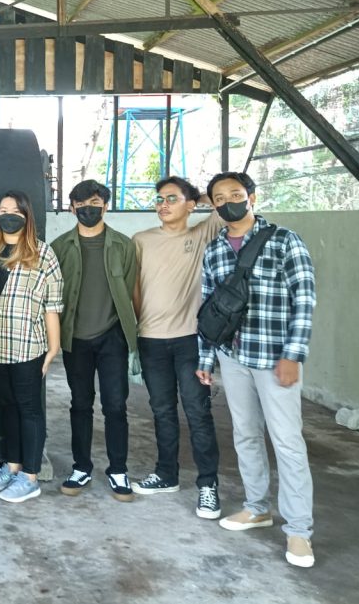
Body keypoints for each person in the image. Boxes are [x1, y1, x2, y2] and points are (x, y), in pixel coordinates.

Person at [197, 172, 317, 569]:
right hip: (234, 358)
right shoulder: (215, 250)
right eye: (220, 197)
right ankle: (256, 507)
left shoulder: (284, 240)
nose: (228, 201)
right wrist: (206, 359)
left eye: (235, 193)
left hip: (275, 358)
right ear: (214, 206)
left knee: (287, 442)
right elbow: (209, 309)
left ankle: (298, 530)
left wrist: (293, 355)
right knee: (246, 434)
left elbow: (305, 299)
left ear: (252, 197)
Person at [131, 176, 223, 519]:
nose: (163, 204)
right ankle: (166, 474)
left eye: (172, 198)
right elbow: (135, 287)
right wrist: (141, 325)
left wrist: (196, 196)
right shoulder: (141, 240)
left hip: (190, 341)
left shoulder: (201, 235)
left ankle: (208, 485)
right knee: (162, 410)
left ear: (190, 205)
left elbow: (222, 203)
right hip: (151, 340)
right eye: (159, 199)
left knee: (197, 412)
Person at [50, 179, 138, 501]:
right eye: (82, 205)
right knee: (80, 404)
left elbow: (129, 288)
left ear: (106, 206)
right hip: (75, 338)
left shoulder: (123, 246)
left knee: (115, 405)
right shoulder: (60, 247)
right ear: (72, 208)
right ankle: (81, 467)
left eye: (95, 204)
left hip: (112, 337)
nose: (88, 209)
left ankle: (118, 469)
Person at [0, 191, 63, 504]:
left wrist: (53, 347)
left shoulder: (43, 253)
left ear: (27, 215)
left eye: (15, 210)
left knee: (29, 408)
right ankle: (12, 466)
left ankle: (30, 476)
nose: (9, 214)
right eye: (3, 209)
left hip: (27, 344)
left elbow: (52, 304)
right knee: (7, 405)